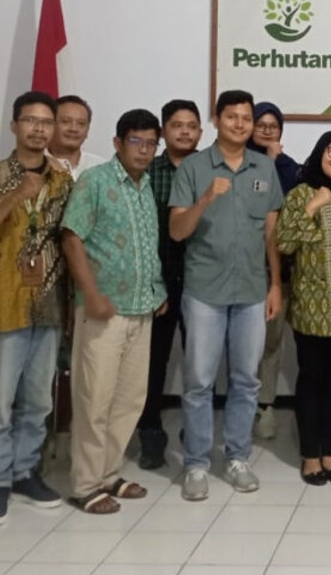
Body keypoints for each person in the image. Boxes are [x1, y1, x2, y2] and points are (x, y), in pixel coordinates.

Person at [0, 91, 73, 526]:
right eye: (30, 120)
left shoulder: (63, 180)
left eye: (46, 122)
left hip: (49, 302)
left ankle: (25, 472)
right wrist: (15, 196)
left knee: (38, 400)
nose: (39, 129)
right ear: (14, 125)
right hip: (2, 301)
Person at [169, 90, 284, 501]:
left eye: (246, 118)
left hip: (252, 290)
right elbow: (177, 231)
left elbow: (270, 232)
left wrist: (275, 284)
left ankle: (237, 458)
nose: (239, 124)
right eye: (231, 116)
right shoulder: (194, 167)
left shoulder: (264, 167)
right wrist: (204, 199)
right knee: (199, 381)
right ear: (217, 120)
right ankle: (196, 464)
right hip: (205, 291)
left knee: (246, 381)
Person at [62, 109, 167, 514]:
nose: (144, 150)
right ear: (118, 143)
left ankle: (108, 474)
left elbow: (145, 246)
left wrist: (157, 289)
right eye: (136, 141)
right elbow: (72, 238)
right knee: (95, 398)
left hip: (141, 308)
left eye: (151, 143)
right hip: (102, 309)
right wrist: (90, 293)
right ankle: (85, 485)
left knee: (129, 399)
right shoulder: (95, 181)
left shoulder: (145, 187)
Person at [276, 131, 331, 485]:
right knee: (312, 380)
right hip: (312, 306)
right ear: (319, 153)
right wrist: (313, 207)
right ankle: (310, 455)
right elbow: (284, 243)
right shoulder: (300, 194)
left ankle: (330, 452)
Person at [137, 99, 202, 470]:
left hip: (201, 283)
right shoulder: (148, 171)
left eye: (191, 126)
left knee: (200, 363)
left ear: (201, 132)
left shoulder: (209, 170)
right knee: (153, 363)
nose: (185, 132)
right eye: (177, 125)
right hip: (157, 283)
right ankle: (150, 432)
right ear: (164, 131)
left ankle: (195, 431)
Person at [250, 101, 302, 441]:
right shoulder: (236, 163)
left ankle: (265, 406)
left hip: (278, 272)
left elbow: (288, 212)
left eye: (274, 125)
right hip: (242, 270)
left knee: (271, 342)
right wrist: (266, 162)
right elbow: (254, 205)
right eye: (262, 124)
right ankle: (244, 405)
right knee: (243, 346)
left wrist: (274, 161)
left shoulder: (290, 168)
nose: (268, 130)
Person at [48, 95, 107, 180]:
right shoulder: (35, 164)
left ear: (87, 130)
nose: (74, 129)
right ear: (50, 125)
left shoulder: (102, 168)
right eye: (66, 121)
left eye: (81, 123)